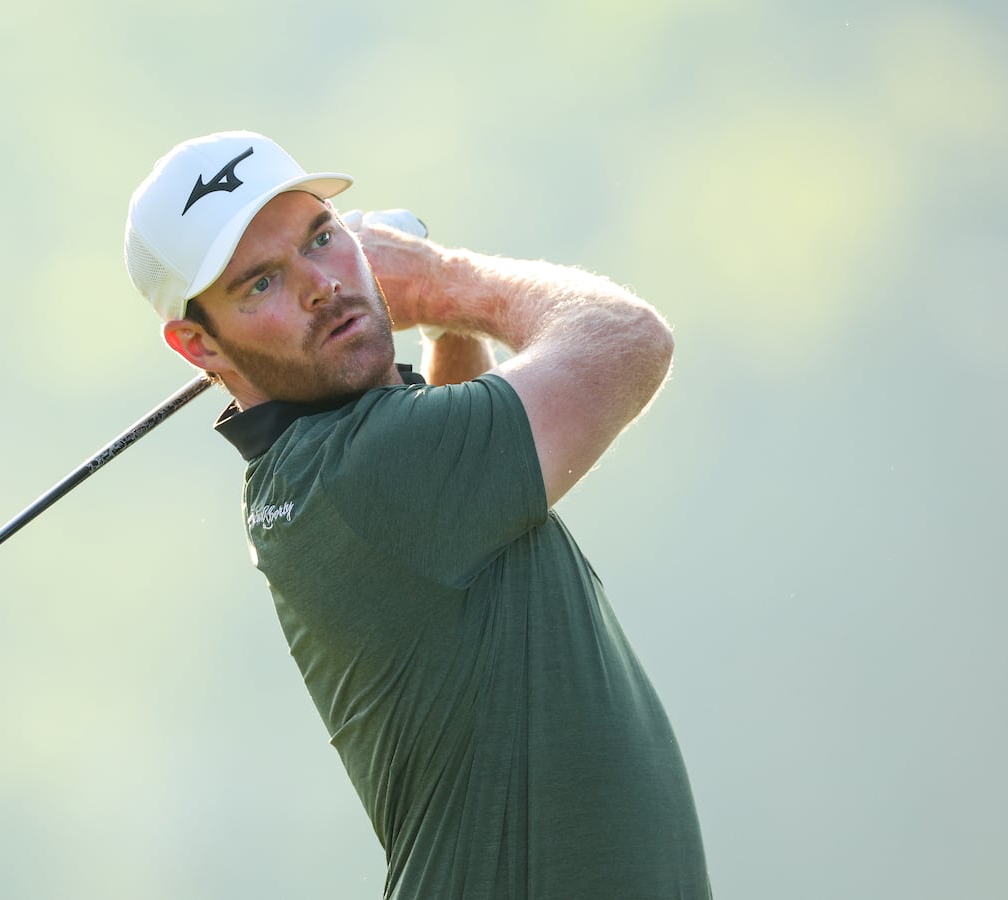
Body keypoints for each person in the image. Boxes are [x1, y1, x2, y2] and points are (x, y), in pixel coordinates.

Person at [124, 131, 711, 898]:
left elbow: (460, 464)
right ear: (198, 346)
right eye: (262, 283)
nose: (322, 285)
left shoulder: (322, 474)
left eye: (323, 238)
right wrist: (440, 284)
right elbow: (630, 343)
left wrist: (446, 328)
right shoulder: (365, 472)